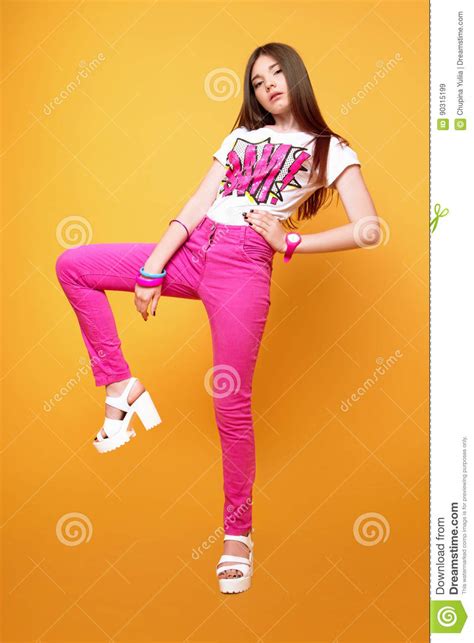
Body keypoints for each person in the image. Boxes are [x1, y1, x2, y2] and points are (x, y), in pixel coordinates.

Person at [55, 41, 380, 594]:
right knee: (73, 265)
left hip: (244, 268)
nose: (269, 85)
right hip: (195, 249)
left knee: (230, 402)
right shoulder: (240, 138)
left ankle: (238, 535)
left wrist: (292, 240)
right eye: (257, 81)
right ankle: (121, 387)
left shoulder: (330, 149)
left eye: (277, 74)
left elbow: (370, 229)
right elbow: (196, 203)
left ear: (296, 76)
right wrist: (154, 268)